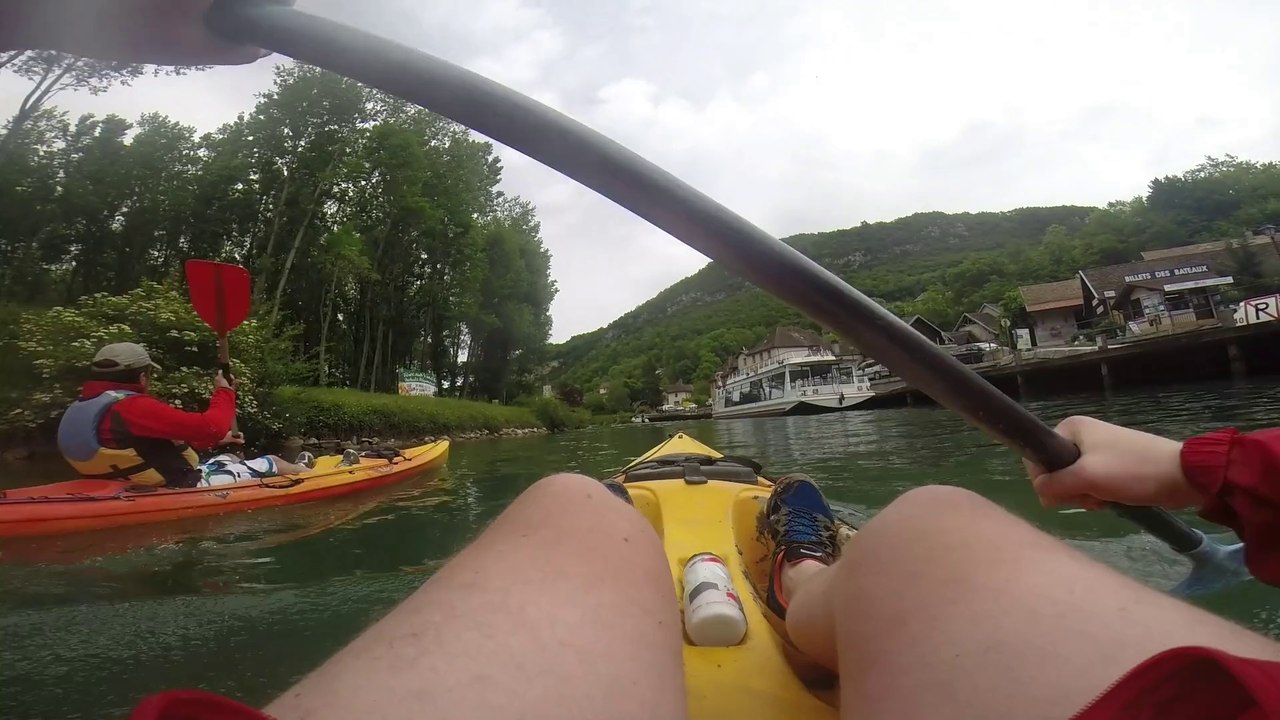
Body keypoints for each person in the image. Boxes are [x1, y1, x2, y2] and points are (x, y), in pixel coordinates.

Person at [11, 6, 1280, 719]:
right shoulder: (151, 407)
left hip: (117, 498)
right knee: (934, 518)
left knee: (572, 510)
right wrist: (1204, 470)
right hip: (160, 486)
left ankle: (733, 564)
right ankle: (805, 581)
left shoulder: (90, 405)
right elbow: (206, 430)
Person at [57, 342, 314, 488]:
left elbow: (141, 447)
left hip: (118, 485)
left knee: (227, 456)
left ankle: (295, 467)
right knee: (272, 461)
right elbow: (211, 426)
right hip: (174, 486)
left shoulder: (85, 404)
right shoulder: (132, 407)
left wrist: (220, 440)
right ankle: (307, 473)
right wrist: (224, 391)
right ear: (142, 377)